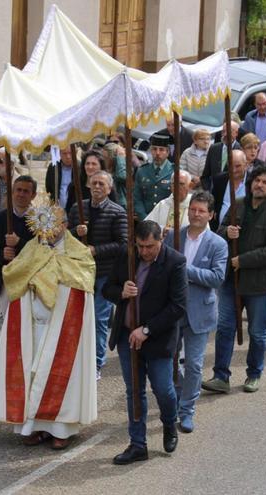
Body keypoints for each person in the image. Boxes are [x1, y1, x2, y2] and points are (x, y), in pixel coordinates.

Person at [0, 203, 98, 449]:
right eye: (44, 223)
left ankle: (61, 429)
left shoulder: (78, 253)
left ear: (65, 225)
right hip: (33, 326)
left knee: (58, 373)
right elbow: (14, 276)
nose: (49, 229)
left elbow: (84, 283)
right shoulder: (30, 251)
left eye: (54, 224)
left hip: (64, 324)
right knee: (32, 373)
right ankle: (32, 426)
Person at [103, 221, 187, 464]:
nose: (144, 252)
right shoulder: (126, 256)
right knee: (134, 391)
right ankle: (138, 444)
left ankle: (169, 422)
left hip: (158, 338)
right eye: (140, 246)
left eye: (150, 246)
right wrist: (121, 292)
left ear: (160, 240)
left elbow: (178, 306)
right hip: (127, 335)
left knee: (163, 388)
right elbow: (106, 288)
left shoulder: (175, 262)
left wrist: (147, 329)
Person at [202, 163, 266, 394]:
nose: (259, 185)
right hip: (231, 280)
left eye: (265, 182)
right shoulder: (237, 204)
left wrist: (243, 260)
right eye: (256, 180)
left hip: (260, 283)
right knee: (225, 328)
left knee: (257, 332)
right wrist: (226, 232)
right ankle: (220, 376)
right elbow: (217, 233)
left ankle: (254, 374)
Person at [164, 192, 227, 433]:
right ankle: (178, 395)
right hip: (173, 310)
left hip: (200, 312)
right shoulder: (173, 237)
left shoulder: (218, 244)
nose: (196, 214)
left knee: (194, 364)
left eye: (201, 211)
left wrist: (186, 270)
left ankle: (187, 410)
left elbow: (217, 278)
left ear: (210, 215)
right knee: (170, 361)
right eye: (193, 209)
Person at [68, 170, 128, 379]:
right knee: (78, 317)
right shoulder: (78, 209)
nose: (97, 187)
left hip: (104, 273)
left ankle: (96, 362)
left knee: (99, 318)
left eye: (102, 184)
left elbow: (123, 244)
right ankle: (79, 358)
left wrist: (96, 250)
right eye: (94, 183)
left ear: (109, 188)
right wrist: (77, 232)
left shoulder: (117, 212)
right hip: (79, 272)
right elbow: (66, 237)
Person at [0, 176, 38, 271]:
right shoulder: (0, 217)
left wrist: (19, 242)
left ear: (33, 195)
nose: (21, 194)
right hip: (5, 272)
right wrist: (2, 254)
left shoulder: (39, 220)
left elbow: (43, 251)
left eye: (26, 191)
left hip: (31, 272)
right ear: (12, 192)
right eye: (18, 190)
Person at [133, 133, 175, 221]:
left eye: (161, 150)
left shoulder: (174, 171)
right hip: (146, 218)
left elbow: (178, 200)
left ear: (167, 152)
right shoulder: (142, 171)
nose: (157, 153)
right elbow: (137, 198)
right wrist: (145, 218)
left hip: (166, 219)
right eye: (154, 149)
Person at [211, 149, 249, 231]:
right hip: (220, 231)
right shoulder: (219, 179)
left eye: (238, 166)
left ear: (246, 165)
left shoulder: (253, 181)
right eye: (231, 165)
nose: (234, 170)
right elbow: (213, 202)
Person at [201, 120, 241, 192]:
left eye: (229, 131)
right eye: (223, 131)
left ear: (236, 133)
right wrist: (209, 190)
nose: (225, 134)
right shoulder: (214, 148)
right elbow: (205, 176)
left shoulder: (240, 151)